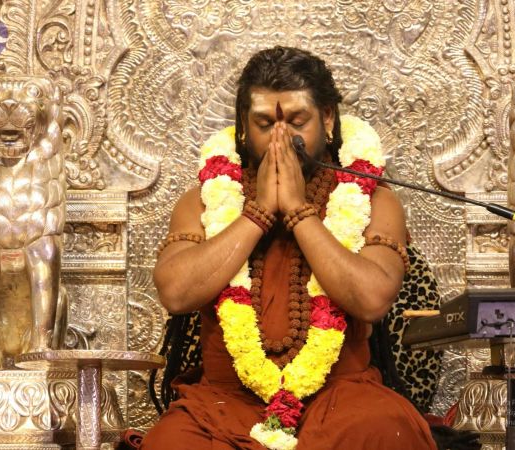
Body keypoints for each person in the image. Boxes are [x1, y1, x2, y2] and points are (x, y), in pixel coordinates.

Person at [142, 46, 438, 450]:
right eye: (264, 123)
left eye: (298, 121)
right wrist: (258, 213)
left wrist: (299, 212)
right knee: (170, 444)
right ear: (242, 127)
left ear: (328, 118)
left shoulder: (371, 201)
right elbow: (176, 293)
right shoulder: (207, 201)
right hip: (223, 403)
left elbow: (372, 299)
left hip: (343, 398)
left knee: (387, 432)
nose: (281, 137)